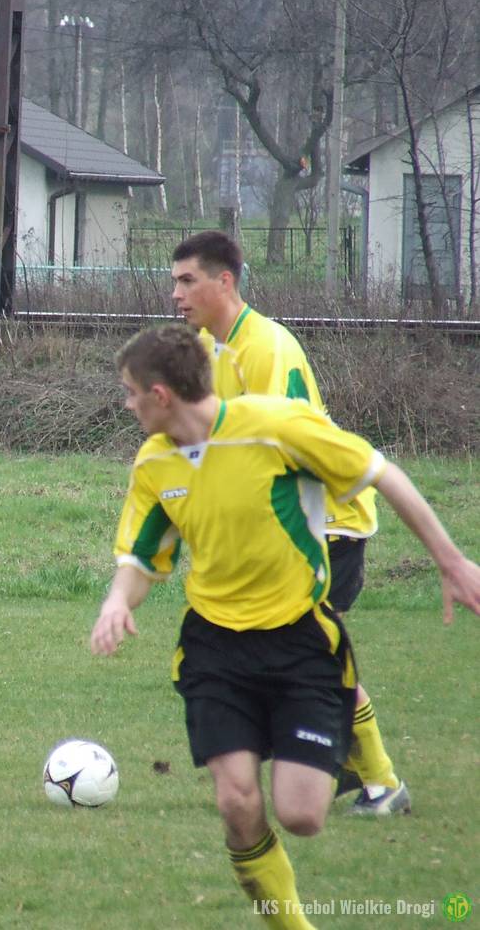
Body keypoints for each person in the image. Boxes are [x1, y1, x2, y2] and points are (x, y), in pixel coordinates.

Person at [91, 324, 480, 929]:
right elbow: (143, 558)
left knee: (302, 815)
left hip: (300, 639)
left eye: (130, 391)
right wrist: (118, 601)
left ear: (160, 394)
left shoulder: (275, 427)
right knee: (237, 801)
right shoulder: (154, 463)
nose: (126, 403)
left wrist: (450, 561)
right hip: (214, 647)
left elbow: (382, 473)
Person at [169, 230, 405, 816]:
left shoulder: (265, 347)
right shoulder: (208, 347)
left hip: (325, 521)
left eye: (188, 280)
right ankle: (338, 765)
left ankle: (381, 781)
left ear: (225, 281)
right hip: (283, 521)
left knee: (315, 653)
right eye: (174, 282)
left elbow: (273, 448)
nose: (176, 293)